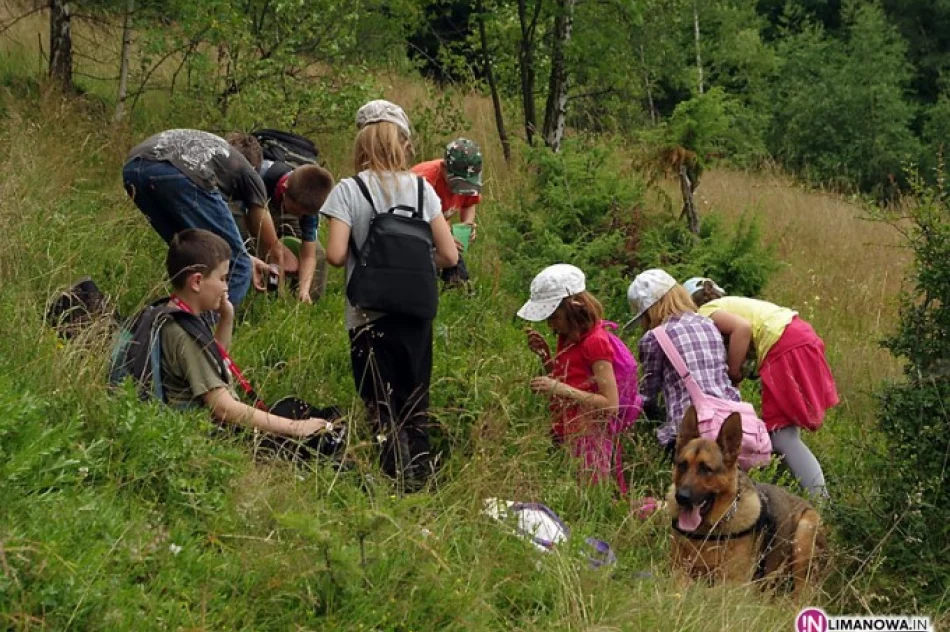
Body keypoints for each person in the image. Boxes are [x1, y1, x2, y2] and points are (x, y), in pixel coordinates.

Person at [320, 100, 458, 490]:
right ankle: (419, 478)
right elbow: (448, 256)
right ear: (403, 142)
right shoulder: (422, 190)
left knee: (380, 404)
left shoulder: (349, 189)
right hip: (416, 317)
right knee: (416, 402)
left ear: (361, 141)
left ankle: (391, 479)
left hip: (367, 317)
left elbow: (334, 256)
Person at [160, 228, 330, 438]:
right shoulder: (185, 333)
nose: (226, 287)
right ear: (196, 282)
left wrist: (226, 317)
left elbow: (214, 360)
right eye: (222, 278)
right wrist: (295, 428)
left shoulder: (178, 313)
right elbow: (224, 408)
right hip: (205, 433)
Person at [684, 277, 837, 499]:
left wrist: (733, 373)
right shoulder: (732, 304)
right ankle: (794, 492)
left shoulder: (706, 313)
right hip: (798, 336)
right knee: (781, 434)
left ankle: (820, 500)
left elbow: (743, 329)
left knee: (782, 435)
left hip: (784, 345)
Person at [123, 129, 283, 307]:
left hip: (133, 167)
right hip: (180, 172)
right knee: (239, 265)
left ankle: (170, 321)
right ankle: (208, 329)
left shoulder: (214, 152)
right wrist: (274, 275)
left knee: (191, 251)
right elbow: (269, 243)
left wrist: (248, 257)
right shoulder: (250, 173)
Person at [518, 264, 625, 489]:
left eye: (554, 316)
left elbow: (610, 405)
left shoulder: (595, 342)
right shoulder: (569, 337)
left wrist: (556, 388)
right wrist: (546, 358)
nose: (550, 324)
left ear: (573, 309)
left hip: (589, 437)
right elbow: (569, 380)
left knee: (587, 495)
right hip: (566, 430)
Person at [628, 269, 741, 456]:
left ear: (648, 312)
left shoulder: (653, 338)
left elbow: (648, 393)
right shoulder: (708, 323)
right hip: (728, 421)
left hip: (690, 430)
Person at [412, 138, 482, 286]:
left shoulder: (469, 180)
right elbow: (410, 222)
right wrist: (444, 238)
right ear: (444, 168)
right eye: (458, 184)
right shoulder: (422, 182)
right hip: (414, 236)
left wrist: (467, 223)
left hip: (441, 232)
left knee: (460, 284)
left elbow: (470, 202)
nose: (461, 189)